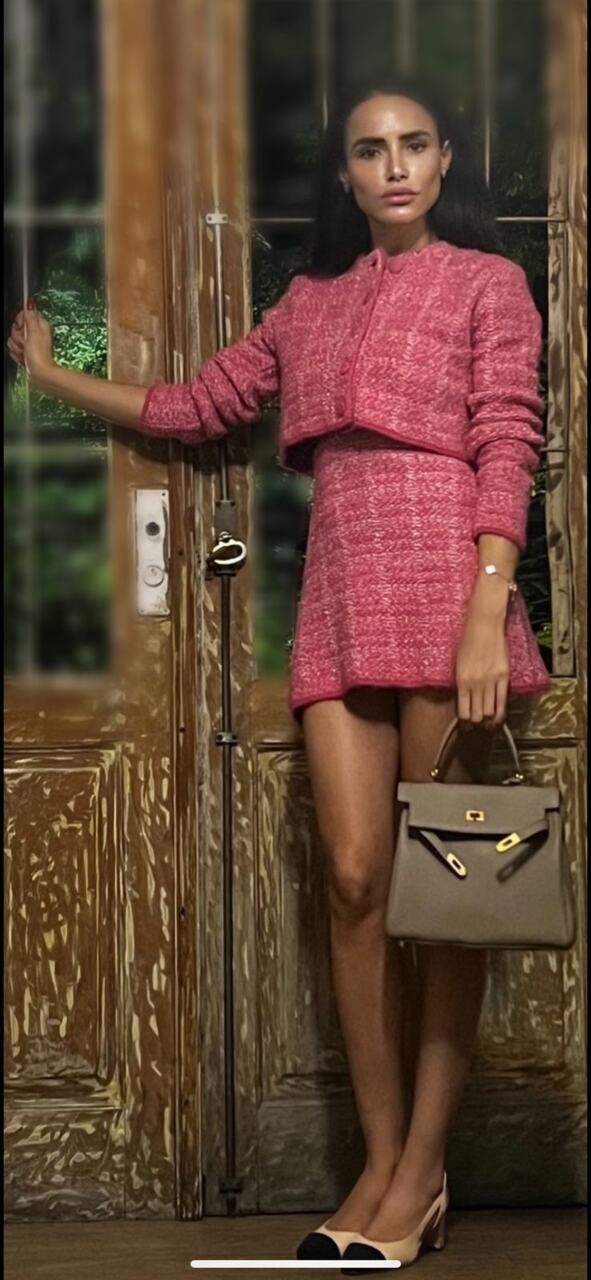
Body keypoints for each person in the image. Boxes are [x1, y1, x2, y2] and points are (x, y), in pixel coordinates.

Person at [7, 74, 550, 1269]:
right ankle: (381, 1158)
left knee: (447, 889)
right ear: (346, 174)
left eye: (414, 144)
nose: (394, 166)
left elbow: (510, 437)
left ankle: (423, 1171)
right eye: (371, 149)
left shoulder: (488, 283)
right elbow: (194, 403)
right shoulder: (306, 303)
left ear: (444, 160)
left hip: (449, 579)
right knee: (354, 880)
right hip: (342, 591)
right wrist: (50, 376)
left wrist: (487, 604)